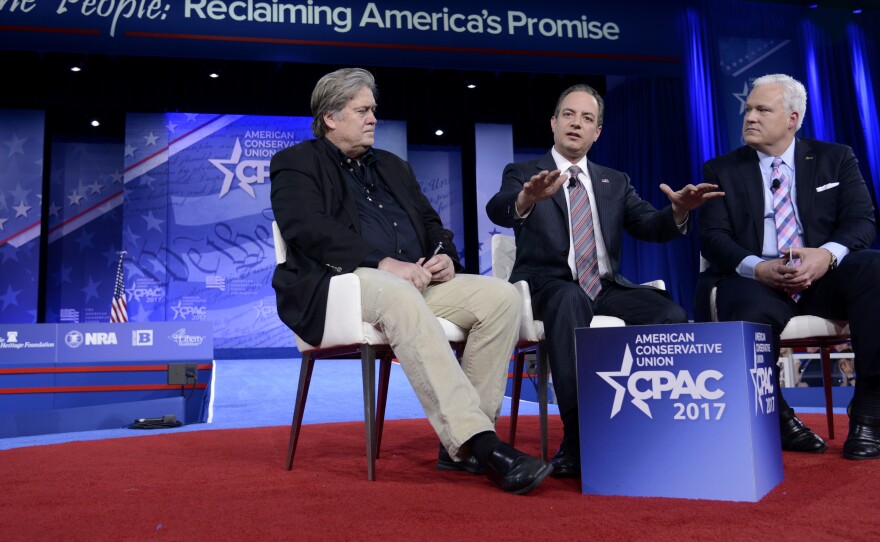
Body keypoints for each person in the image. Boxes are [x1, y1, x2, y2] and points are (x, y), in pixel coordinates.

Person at [270, 67, 553, 494]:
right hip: (341, 285)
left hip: (416, 281)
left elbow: (430, 222)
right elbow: (306, 228)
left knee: (500, 297)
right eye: (362, 110)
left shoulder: (392, 166)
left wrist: (444, 257)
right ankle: (482, 444)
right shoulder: (295, 162)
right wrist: (381, 261)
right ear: (330, 117)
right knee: (399, 293)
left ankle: (457, 448)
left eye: (373, 110)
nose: (372, 119)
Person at [486, 84, 722, 478]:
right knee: (568, 300)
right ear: (553, 122)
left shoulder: (614, 180)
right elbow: (500, 207)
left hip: (606, 288)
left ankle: (653, 428)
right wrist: (527, 199)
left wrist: (678, 212)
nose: (576, 123)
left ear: (597, 132)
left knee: (670, 313)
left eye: (587, 118)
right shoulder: (525, 173)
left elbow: (649, 224)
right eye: (569, 115)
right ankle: (580, 437)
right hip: (549, 287)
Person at [697, 73, 880, 460]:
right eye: (748, 109)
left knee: (874, 268)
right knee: (743, 303)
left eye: (763, 109)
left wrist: (825, 255)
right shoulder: (720, 169)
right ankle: (776, 416)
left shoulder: (836, 158)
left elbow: (862, 222)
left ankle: (870, 411)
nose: (750, 117)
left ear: (793, 118)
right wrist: (756, 268)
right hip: (758, 279)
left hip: (823, 276)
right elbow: (713, 238)